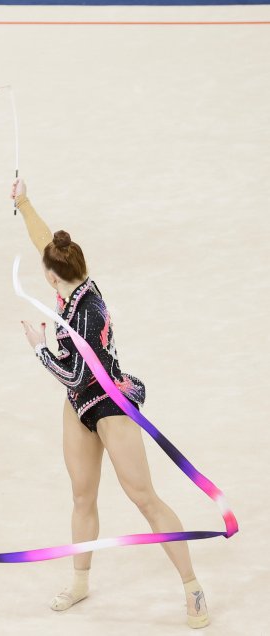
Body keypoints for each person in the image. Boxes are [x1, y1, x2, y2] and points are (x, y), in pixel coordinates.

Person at [13, 178, 209, 629]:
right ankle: (80, 582)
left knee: (143, 497)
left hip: (108, 403)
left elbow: (76, 375)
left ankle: (192, 587)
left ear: (52, 277)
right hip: (78, 405)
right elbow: (45, 242)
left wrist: (40, 347)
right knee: (82, 495)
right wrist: (24, 201)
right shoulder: (70, 285)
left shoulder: (87, 313)